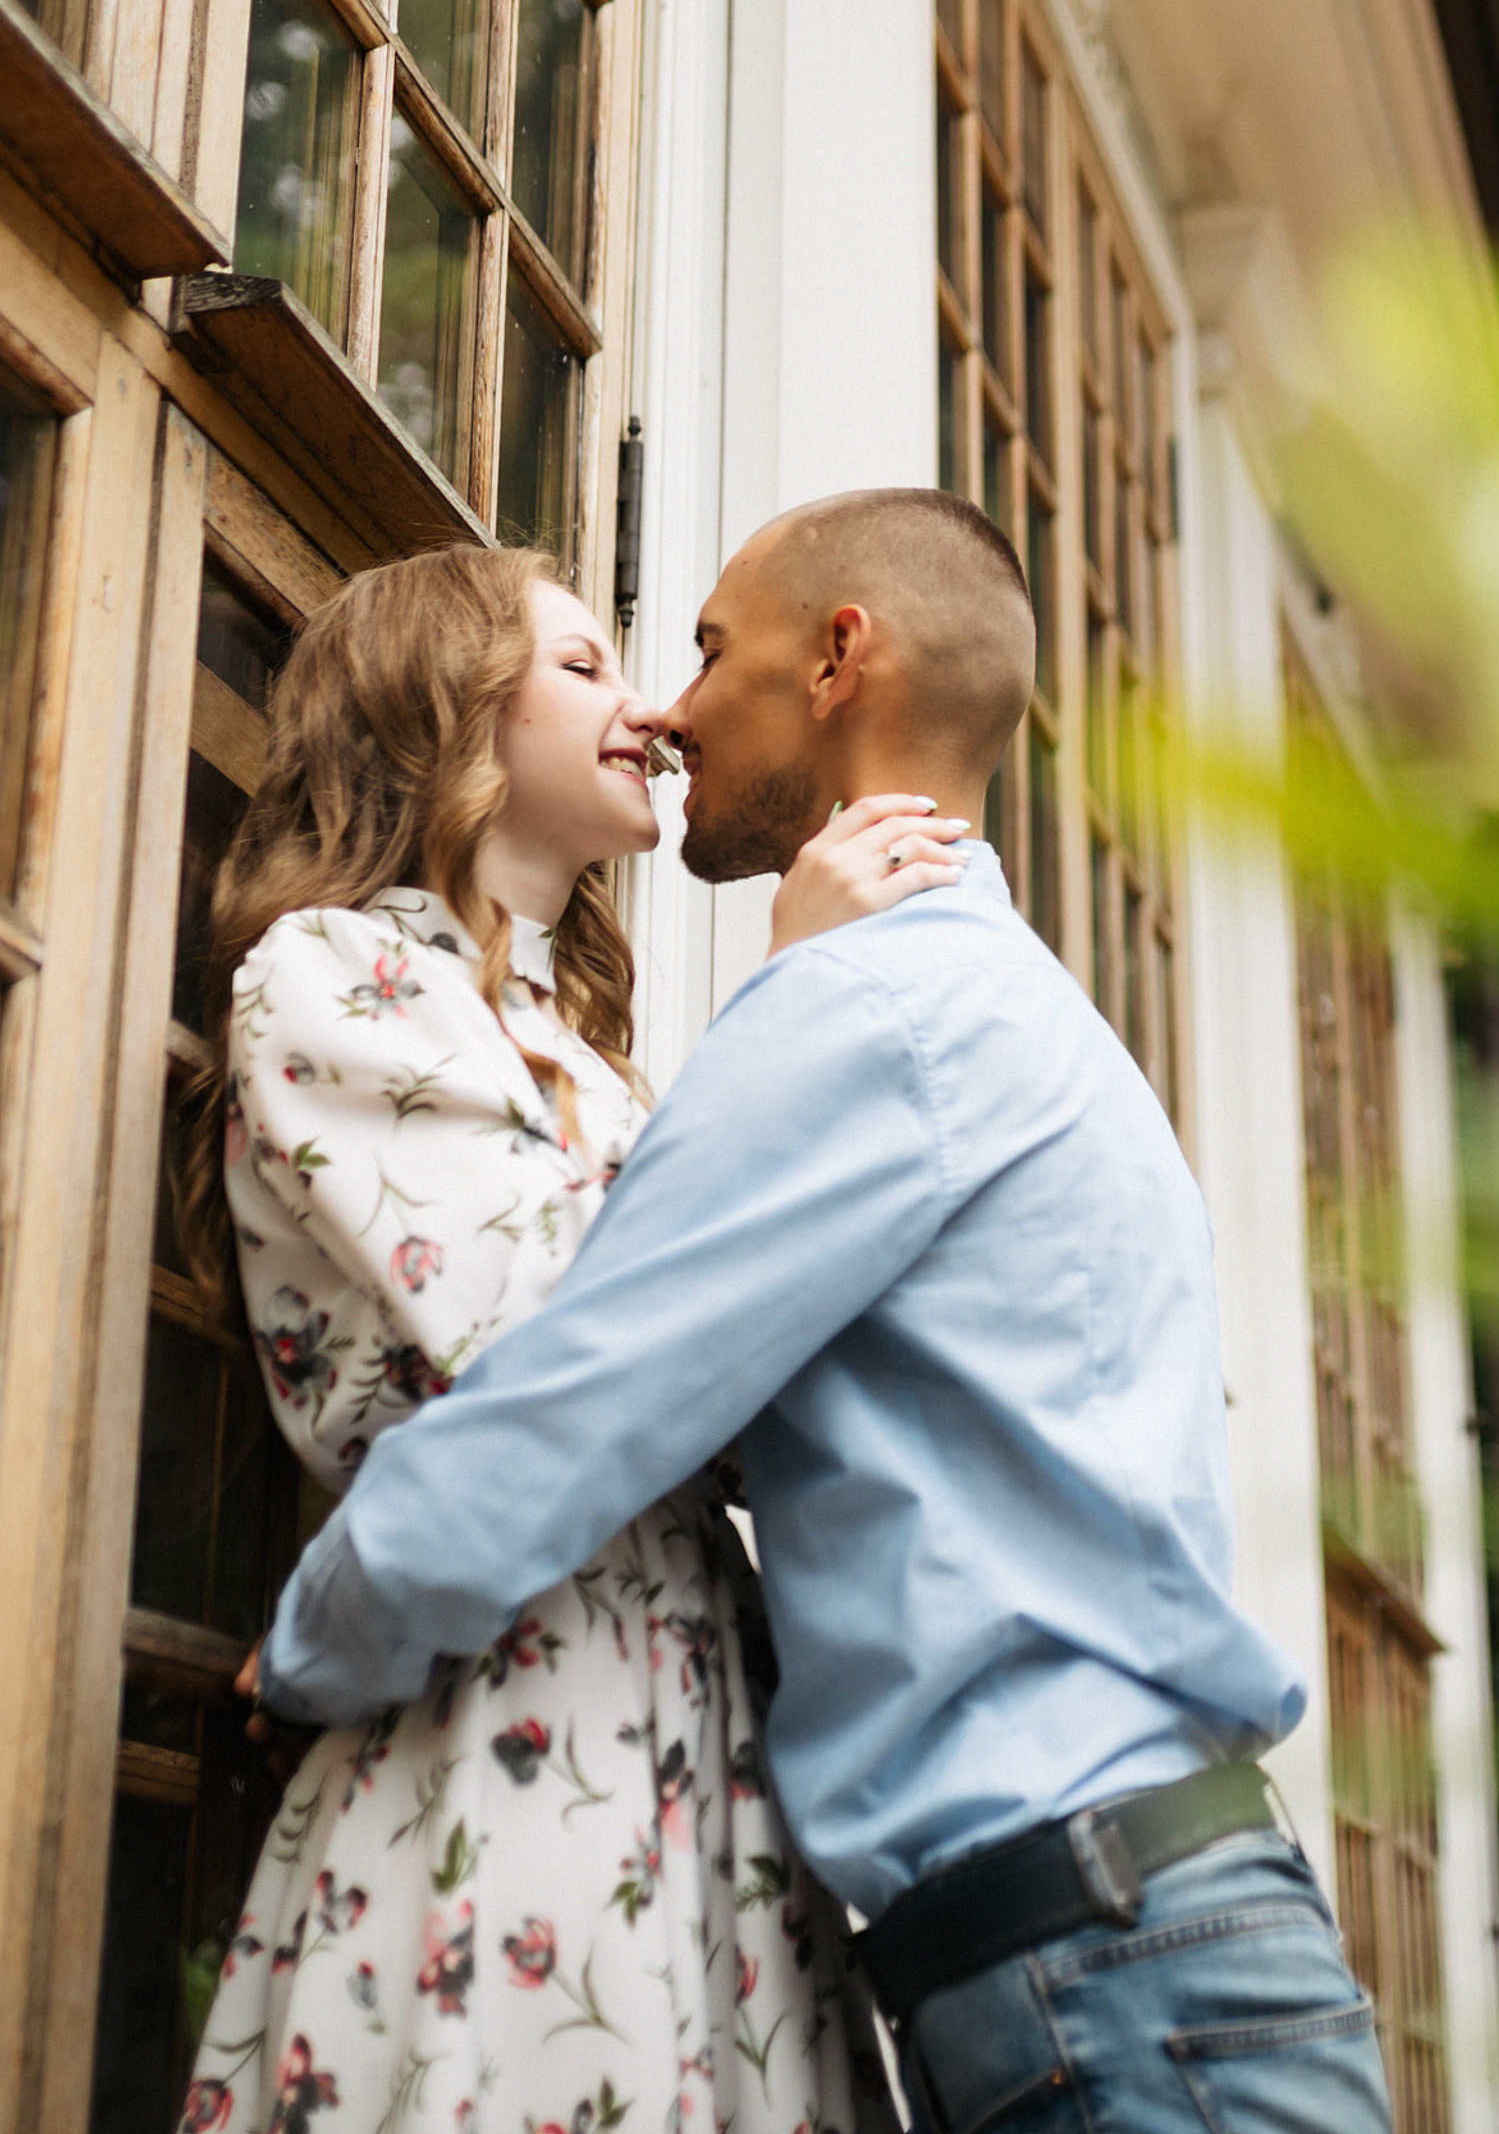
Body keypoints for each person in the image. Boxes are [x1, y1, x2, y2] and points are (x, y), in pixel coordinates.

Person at [247, 488, 1394, 2134]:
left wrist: (303, 1648)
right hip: (1127, 1951)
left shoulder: (871, 1011)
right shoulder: (981, 1000)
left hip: (1114, 1970)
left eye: (709, 650)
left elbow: (573, 1407)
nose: (672, 705)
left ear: (838, 657)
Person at [176, 544, 960, 2134]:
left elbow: (747, 1387)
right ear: (445, 710)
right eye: (588, 667)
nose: (659, 712)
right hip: (506, 1685)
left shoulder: (594, 1058)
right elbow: (559, 1334)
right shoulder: (332, 975)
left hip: (707, 1709)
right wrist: (797, 1009)